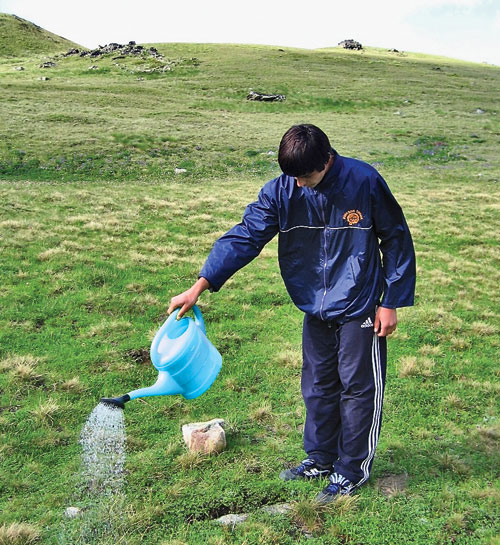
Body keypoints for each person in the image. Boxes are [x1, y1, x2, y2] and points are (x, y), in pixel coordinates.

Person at [168, 124, 416, 503]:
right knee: (317, 385)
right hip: (313, 304)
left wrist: (390, 300)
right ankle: (320, 458)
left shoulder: (364, 181)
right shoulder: (282, 191)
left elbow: (395, 238)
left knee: (358, 389)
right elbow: (245, 236)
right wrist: (201, 284)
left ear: (327, 160)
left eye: (306, 177)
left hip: (360, 304)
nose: (299, 185)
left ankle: (351, 470)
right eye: (292, 177)